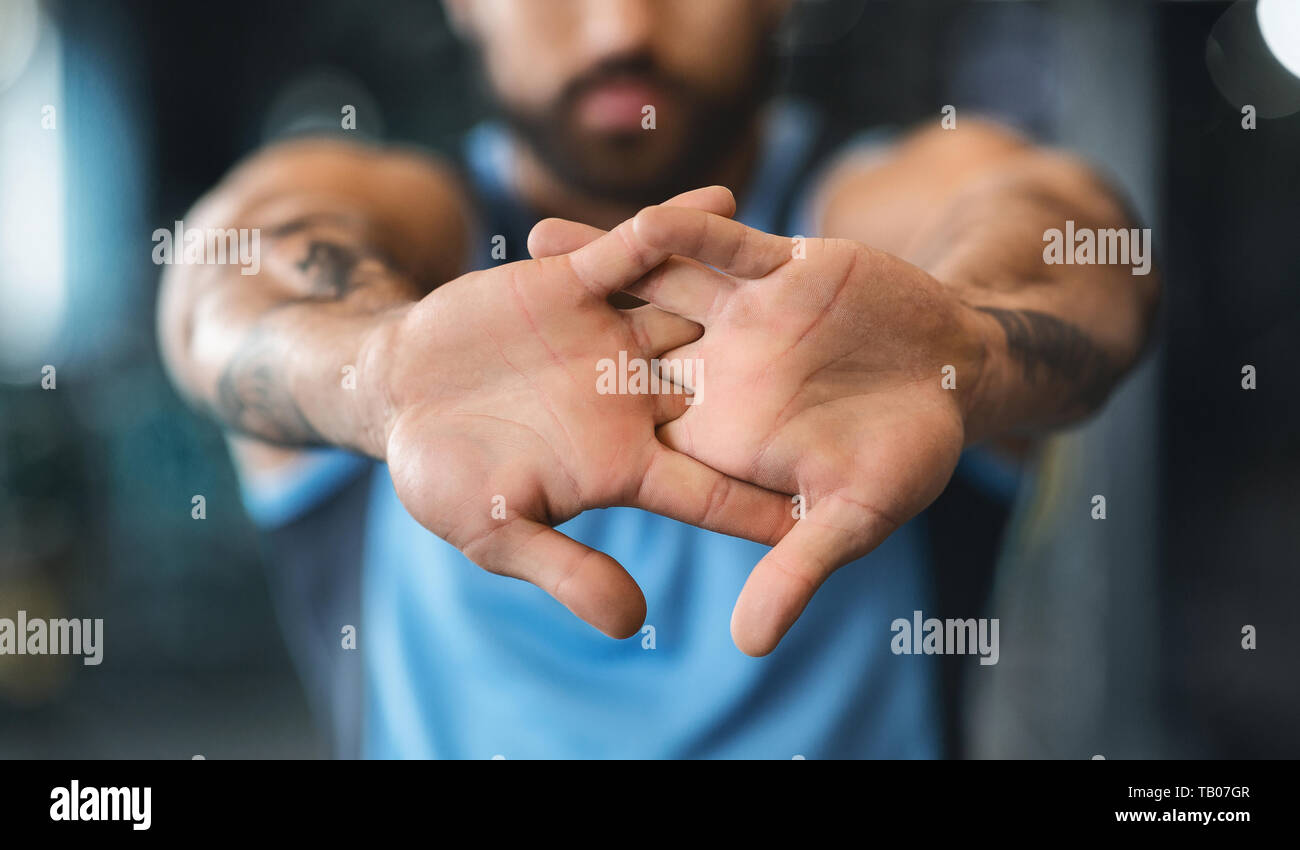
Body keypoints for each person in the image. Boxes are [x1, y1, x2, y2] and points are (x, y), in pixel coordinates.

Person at [157, 0, 1159, 758]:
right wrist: (372, 376)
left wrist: (965, 347)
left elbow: (1081, 244)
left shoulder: (878, 247)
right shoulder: (395, 234)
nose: (619, 27)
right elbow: (225, 279)